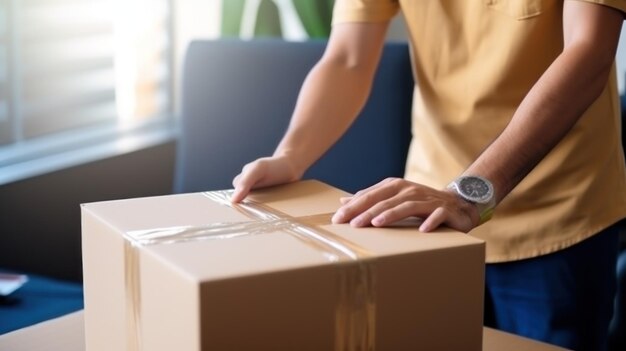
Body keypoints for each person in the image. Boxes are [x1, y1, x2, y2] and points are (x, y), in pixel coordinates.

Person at [231, 1, 626, 350]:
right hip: (427, 216)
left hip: (557, 214)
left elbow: (589, 50)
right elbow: (348, 57)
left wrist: (470, 195)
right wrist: (290, 156)